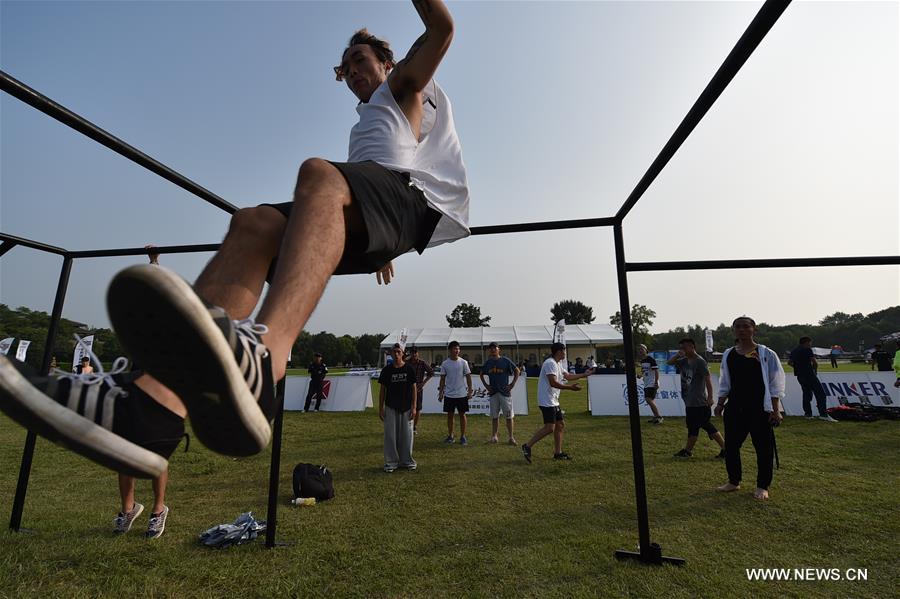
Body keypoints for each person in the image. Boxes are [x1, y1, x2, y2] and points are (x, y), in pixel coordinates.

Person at [0, 0, 469, 473]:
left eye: (360, 61)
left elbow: (442, 27)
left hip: (407, 201)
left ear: (387, 62)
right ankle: (151, 409)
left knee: (318, 174)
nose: (352, 72)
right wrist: (377, 240)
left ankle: (266, 359)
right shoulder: (364, 121)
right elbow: (361, 187)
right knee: (253, 223)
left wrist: (386, 230)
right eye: (345, 68)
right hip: (373, 213)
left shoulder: (401, 84)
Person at [714, 316, 785, 501]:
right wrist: (720, 403)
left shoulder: (766, 353)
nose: (742, 330)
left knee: (763, 448)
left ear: (754, 329)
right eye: (738, 327)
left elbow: (775, 384)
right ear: (733, 330)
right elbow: (725, 382)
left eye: (746, 326)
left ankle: (762, 486)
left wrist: (775, 410)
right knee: (731, 446)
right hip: (735, 407)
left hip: (760, 408)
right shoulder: (728, 354)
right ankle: (733, 481)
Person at [521, 342, 593, 463]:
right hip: (546, 401)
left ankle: (558, 453)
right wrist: (571, 388)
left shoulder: (557, 363)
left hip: (553, 400)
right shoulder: (550, 363)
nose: (565, 353)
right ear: (559, 352)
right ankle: (527, 446)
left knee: (560, 425)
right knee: (550, 428)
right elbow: (553, 382)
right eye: (564, 351)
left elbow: (568, 376)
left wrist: (584, 374)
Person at [667, 339, 725, 458]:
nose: (682, 350)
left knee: (702, 426)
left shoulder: (700, 361)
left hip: (698, 401)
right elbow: (669, 363)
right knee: (697, 426)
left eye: (684, 348)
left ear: (692, 347)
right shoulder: (684, 361)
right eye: (680, 348)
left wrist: (710, 397)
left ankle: (724, 449)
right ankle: (688, 451)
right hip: (689, 400)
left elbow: (708, 380)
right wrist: (678, 355)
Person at [377, 343, 417, 472]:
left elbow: (414, 388)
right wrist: (381, 408)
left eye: (399, 352)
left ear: (403, 353)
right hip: (391, 406)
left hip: (406, 407)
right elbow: (382, 390)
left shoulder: (409, 369)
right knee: (390, 436)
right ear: (391, 354)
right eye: (394, 352)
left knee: (407, 436)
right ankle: (391, 462)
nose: (396, 354)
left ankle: (407, 461)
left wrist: (414, 407)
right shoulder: (386, 370)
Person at [479, 342, 520, 445]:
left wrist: (512, 384)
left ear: (499, 349)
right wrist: (486, 386)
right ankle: (494, 437)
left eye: (495, 348)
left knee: (508, 416)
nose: (493, 350)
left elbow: (517, 370)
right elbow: (481, 374)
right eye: (491, 348)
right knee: (494, 416)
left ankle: (511, 437)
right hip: (493, 393)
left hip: (504, 392)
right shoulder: (488, 362)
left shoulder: (505, 361)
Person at [788, 336, 836, 421]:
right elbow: (814, 362)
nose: (810, 344)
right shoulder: (807, 349)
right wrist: (815, 371)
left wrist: (798, 368)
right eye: (810, 342)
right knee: (820, 394)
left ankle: (808, 414)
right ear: (806, 342)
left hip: (800, 375)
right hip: (809, 374)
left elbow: (789, 363)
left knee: (806, 394)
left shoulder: (794, 351)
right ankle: (823, 414)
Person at [438, 340, 472, 445]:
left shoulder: (464, 362)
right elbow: (442, 379)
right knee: (450, 416)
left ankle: (463, 436)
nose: (457, 350)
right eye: (454, 349)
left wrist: (470, 391)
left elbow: (468, 377)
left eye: (458, 349)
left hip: (462, 394)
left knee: (462, 415)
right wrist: (441, 392)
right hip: (449, 394)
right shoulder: (445, 363)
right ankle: (451, 436)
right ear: (450, 350)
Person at [407, 346, 433, 435]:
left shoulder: (422, 363)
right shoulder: (406, 363)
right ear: (410, 354)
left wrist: (423, 383)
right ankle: (407, 425)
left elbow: (431, 372)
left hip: (418, 389)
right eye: (412, 352)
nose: (414, 354)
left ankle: (414, 427)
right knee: (406, 407)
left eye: (415, 352)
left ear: (418, 353)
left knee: (418, 408)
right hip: (407, 388)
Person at [637, 344, 664, 424]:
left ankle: (659, 417)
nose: (640, 350)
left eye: (642, 349)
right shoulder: (642, 361)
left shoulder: (650, 359)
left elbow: (656, 371)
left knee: (648, 399)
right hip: (646, 383)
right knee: (650, 400)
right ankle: (656, 417)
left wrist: (656, 382)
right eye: (639, 349)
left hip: (652, 383)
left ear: (646, 350)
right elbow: (645, 371)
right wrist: (640, 376)